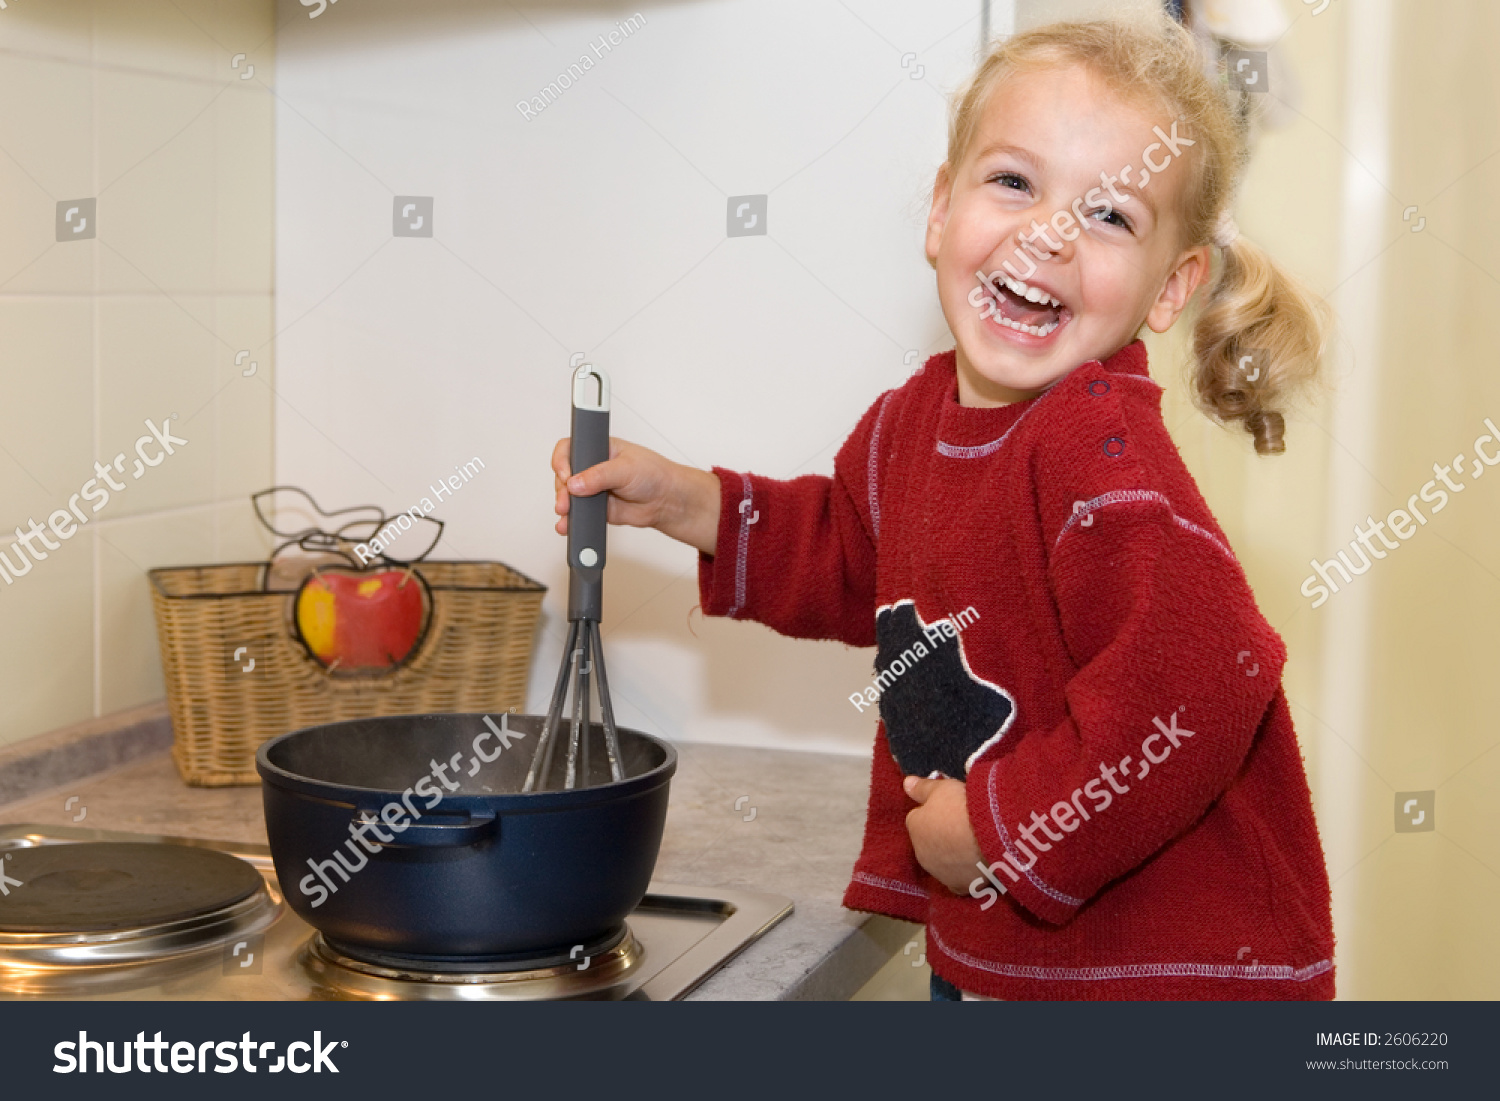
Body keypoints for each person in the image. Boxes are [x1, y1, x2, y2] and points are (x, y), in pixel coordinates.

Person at [551, 15, 1335, 1001]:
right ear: (938, 210)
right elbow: (854, 551)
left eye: (1110, 217)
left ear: (1169, 288)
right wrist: (693, 502)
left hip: (1159, 976)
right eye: (1014, 182)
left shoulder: (1097, 451)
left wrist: (1010, 831)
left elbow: (1201, 679)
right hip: (1016, 948)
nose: (1047, 232)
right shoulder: (914, 423)